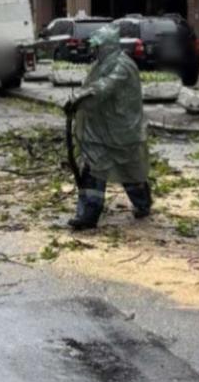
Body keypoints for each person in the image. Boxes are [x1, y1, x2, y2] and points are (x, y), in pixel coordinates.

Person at [65, 23, 151, 229]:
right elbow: (95, 86)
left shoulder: (122, 65)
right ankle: (88, 214)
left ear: (107, 46)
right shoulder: (102, 63)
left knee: (130, 171)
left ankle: (143, 203)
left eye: (97, 46)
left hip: (122, 130)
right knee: (94, 169)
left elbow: (105, 86)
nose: (93, 50)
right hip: (100, 130)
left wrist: (79, 98)